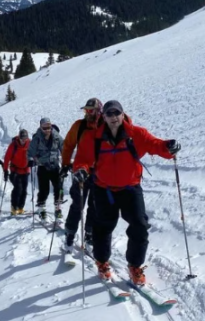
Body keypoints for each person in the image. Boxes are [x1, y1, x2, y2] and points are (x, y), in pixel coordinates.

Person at [72, 100, 181, 286]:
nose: (113, 117)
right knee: (103, 227)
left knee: (139, 225)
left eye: (117, 113)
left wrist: (168, 147)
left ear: (123, 115)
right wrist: (81, 169)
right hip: (103, 189)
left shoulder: (136, 134)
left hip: (130, 189)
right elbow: (82, 158)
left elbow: (155, 144)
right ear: (103, 117)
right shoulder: (94, 138)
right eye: (109, 114)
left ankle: (135, 266)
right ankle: (102, 262)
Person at [61, 98, 103, 249]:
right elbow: (68, 145)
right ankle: (70, 235)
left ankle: (90, 235)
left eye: (90, 110)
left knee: (95, 205)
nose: (87, 113)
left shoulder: (105, 126)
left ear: (98, 110)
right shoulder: (79, 126)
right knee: (78, 204)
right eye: (86, 110)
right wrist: (65, 164)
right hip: (81, 171)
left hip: (100, 173)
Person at [28, 117, 64, 220]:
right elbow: (30, 152)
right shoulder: (37, 138)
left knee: (59, 187)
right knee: (44, 190)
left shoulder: (57, 137)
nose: (47, 130)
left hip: (55, 166)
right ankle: (41, 208)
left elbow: (64, 149)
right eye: (45, 128)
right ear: (40, 127)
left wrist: (67, 162)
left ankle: (58, 209)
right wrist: (31, 159)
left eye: (49, 127)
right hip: (42, 167)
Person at [2, 129, 31, 216]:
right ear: (19, 137)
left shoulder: (30, 143)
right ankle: (14, 207)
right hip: (15, 171)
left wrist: (34, 161)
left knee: (24, 190)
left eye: (25, 139)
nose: (23, 141)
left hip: (25, 170)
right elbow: (7, 158)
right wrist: (5, 170)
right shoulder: (13, 145)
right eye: (22, 139)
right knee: (18, 189)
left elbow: (34, 154)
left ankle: (21, 207)